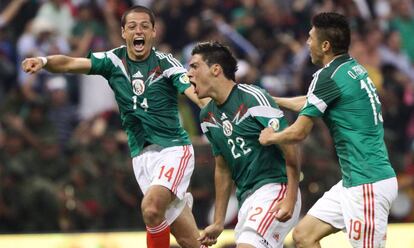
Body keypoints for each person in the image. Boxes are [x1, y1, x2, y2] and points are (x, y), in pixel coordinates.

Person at [22, 5, 207, 248]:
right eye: (132, 26)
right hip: (141, 156)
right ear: (123, 32)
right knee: (189, 240)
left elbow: (194, 92)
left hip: (173, 150)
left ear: (153, 32)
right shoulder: (112, 61)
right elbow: (69, 63)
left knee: (151, 209)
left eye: (144, 26)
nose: (138, 30)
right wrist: (43, 61)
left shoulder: (166, 63)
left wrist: (213, 108)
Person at [259, 12, 398, 248]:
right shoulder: (350, 69)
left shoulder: (327, 76)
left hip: (366, 184)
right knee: (303, 237)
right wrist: (273, 99)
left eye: (310, 38)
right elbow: (312, 102)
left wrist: (271, 137)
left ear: (325, 45)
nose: (307, 43)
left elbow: (299, 132)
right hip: (354, 181)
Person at [188, 41, 301, 248]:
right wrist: (218, 221)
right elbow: (222, 168)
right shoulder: (207, 116)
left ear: (215, 69)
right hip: (246, 199)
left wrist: (291, 197)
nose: (189, 74)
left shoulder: (253, 97)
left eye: (194, 66)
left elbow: (290, 145)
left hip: (276, 188)